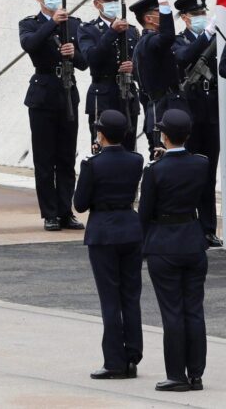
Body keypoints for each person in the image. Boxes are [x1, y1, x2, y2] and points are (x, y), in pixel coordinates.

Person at [138, 109, 209, 392]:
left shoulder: (154, 171)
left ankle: (176, 374)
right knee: (193, 310)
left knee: (172, 313)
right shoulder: (201, 164)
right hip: (192, 240)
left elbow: (144, 213)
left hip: (164, 243)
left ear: (164, 136)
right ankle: (196, 373)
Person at [73, 109, 145, 380]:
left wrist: (94, 158)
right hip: (129, 227)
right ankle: (132, 355)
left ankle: (114, 360)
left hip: (103, 231)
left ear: (100, 134)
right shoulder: (136, 160)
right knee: (130, 295)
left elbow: (80, 204)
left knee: (110, 299)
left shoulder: (92, 164)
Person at [19, 0, 87, 232]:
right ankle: (49, 213)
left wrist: (74, 53)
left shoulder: (74, 24)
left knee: (66, 157)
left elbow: (84, 62)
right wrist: (52, 24)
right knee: (45, 158)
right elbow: (31, 45)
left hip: (67, 92)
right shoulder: (31, 24)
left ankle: (65, 209)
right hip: (43, 94)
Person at [172, 0, 222, 247]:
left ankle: (208, 228)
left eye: (204, 13)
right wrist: (205, 37)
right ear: (184, 18)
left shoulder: (215, 40)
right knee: (188, 173)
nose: (202, 17)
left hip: (211, 114)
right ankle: (189, 224)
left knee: (209, 172)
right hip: (189, 115)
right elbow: (183, 57)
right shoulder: (179, 41)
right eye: (196, 14)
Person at [79, 0, 140, 152]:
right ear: (97, 4)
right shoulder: (88, 29)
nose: (113, 4)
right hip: (103, 95)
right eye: (108, 1)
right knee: (102, 148)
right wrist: (112, 32)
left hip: (127, 94)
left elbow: (142, 65)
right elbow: (91, 58)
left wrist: (133, 68)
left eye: (115, 0)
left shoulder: (132, 30)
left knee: (128, 149)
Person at [130, 0, 188, 157]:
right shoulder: (149, 42)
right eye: (159, 11)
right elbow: (167, 37)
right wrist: (163, 0)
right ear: (149, 18)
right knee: (164, 159)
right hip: (162, 110)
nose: (164, 14)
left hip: (166, 105)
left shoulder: (149, 42)